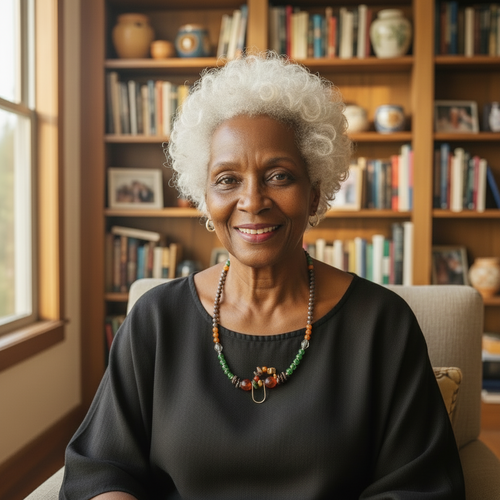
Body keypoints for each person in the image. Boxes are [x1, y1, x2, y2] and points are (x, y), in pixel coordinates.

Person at [60, 53, 465, 499]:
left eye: (278, 176)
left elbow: (421, 487)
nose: (252, 201)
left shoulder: (382, 324)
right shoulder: (156, 319)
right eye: (228, 179)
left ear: (313, 196)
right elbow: (100, 466)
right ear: (205, 198)